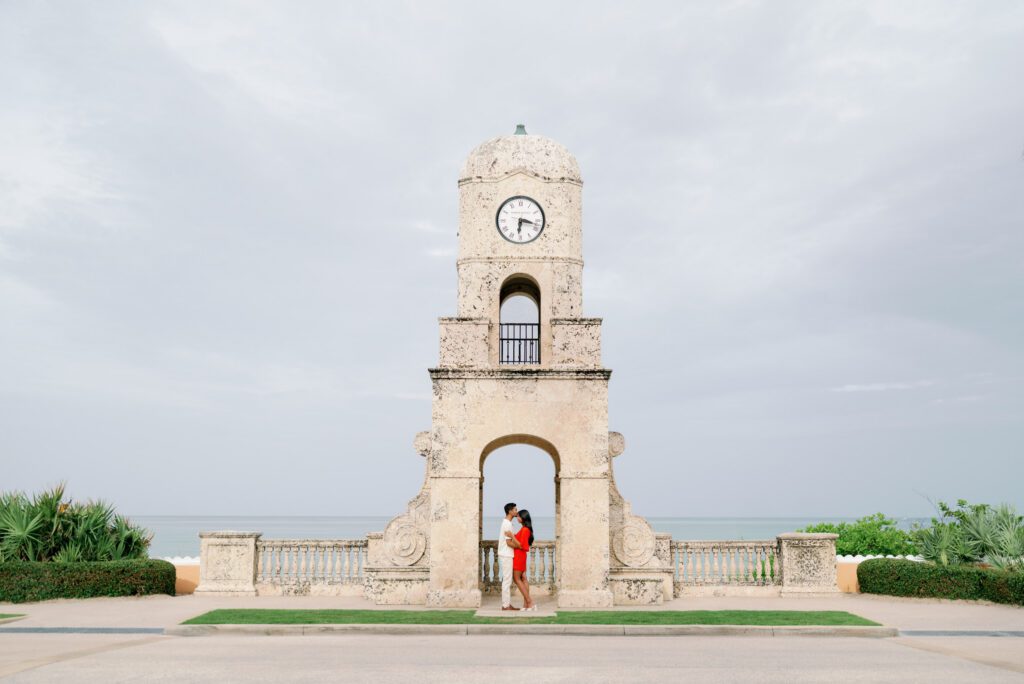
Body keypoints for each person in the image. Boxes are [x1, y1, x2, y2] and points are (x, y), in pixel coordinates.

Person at [511, 509, 535, 611]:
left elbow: (522, 546)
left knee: (516, 579)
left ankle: (530, 602)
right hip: (520, 555)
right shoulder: (524, 529)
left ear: (523, 518)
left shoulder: (525, 530)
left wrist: (511, 536)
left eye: (519, 516)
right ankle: (526, 604)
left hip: (519, 556)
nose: (517, 518)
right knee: (523, 578)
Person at [497, 502, 518, 611]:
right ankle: (506, 605)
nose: (516, 511)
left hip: (505, 553)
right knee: (507, 580)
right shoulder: (507, 524)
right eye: (515, 510)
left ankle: (506, 604)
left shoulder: (507, 522)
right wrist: (519, 546)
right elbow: (509, 542)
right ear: (510, 511)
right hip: (506, 554)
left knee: (507, 580)